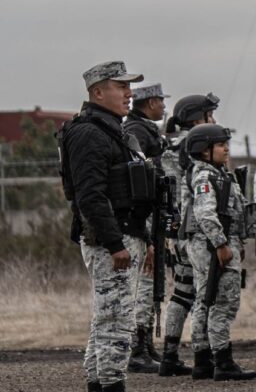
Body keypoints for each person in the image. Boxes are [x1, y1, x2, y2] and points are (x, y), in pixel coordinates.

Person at [60, 61, 147, 392]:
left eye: (129, 86)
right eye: (121, 86)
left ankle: (99, 382)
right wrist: (115, 244)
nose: (129, 93)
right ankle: (111, 384)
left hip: (123, 235)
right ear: (98, 92)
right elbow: (90, 196)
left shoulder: (111, 130)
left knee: (108, 318)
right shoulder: (89, 133)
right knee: (116, 321)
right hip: (110, 242)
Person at [183, 124, 256, 381]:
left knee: (206, 299)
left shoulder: (218, 174)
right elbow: (205, 213)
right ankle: (223, 361)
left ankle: (203, 360)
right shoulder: (206, 177)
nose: (226, 149)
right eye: (221, 145)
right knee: (223, 301)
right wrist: (221, 244)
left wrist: (237, 242)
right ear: (204, 150)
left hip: (216, 243)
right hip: (212, 245)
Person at [157, 93, 220, 377]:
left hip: (176, 231)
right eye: (209, 115)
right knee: (205, 291)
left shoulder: (169, 147)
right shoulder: (192, 148)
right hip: (195, 231)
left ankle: (169, 354)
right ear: (197, 119)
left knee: (182, 292)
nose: (213, 120)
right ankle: (203, 355)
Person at [122, 82, 170, 373]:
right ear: (151, 102)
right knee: (146, 279)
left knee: (153, 281)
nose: (164, 106)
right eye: (161, 101)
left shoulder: (145, 129)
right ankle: (138, 347)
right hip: (145, 215)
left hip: (153, 213)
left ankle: (146, 343)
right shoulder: (137, 130)